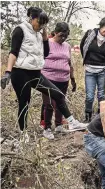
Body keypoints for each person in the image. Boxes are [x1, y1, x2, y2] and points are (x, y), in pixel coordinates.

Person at [0, 7, 87, 141]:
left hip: (35, 73)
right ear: (32, 18)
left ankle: (72, 122)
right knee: (25, 103)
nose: (41, 26)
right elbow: (13, 52)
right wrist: (7, 73)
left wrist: (45, 37)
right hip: (21, 73)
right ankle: (23, 135)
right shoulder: (20, 30)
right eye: (39, 23)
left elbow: (46, 54)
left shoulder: (39, 34)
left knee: (57, 94)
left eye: (44, 24)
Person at [39, 22, 77, 139]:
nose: (63, 38)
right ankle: (47, 128)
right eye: (61, 35)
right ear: (55, 32)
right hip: (48, 79)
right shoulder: (47, 43)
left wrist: (72, 79)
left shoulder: (67, 46)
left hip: (63, 79)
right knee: (49, 104)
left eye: (66, 36)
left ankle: (59, 125)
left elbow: (69, 63)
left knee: (61, 103)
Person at [80, 17, 105, 122]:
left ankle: (100, 118)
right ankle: (87, 118)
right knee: (90, 96)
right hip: (90, 70)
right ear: (101, 25)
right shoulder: (90, 34)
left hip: (103, 71)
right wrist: (87, 60)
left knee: (101, 95)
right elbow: (83, 46)